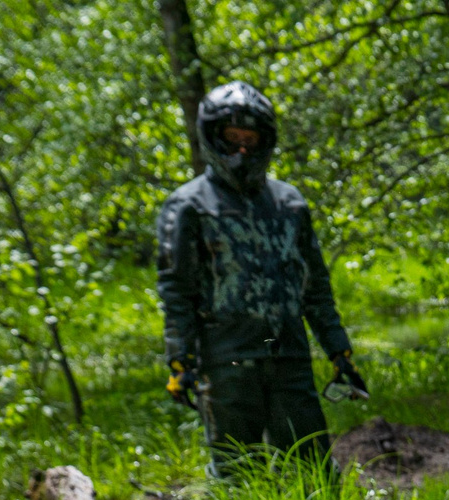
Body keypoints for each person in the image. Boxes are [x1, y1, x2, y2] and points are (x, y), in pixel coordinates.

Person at [156, 83, 364, 475]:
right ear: (212, 137)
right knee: (238, 471)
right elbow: (176, 289)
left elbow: (315, 286)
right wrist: (179, 359)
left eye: (250, 140)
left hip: (289, 354)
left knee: (312, 467)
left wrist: (339, 349)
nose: (242, 151)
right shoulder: (188, 206)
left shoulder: (289, 204)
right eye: (232, 139)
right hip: (226, 358)